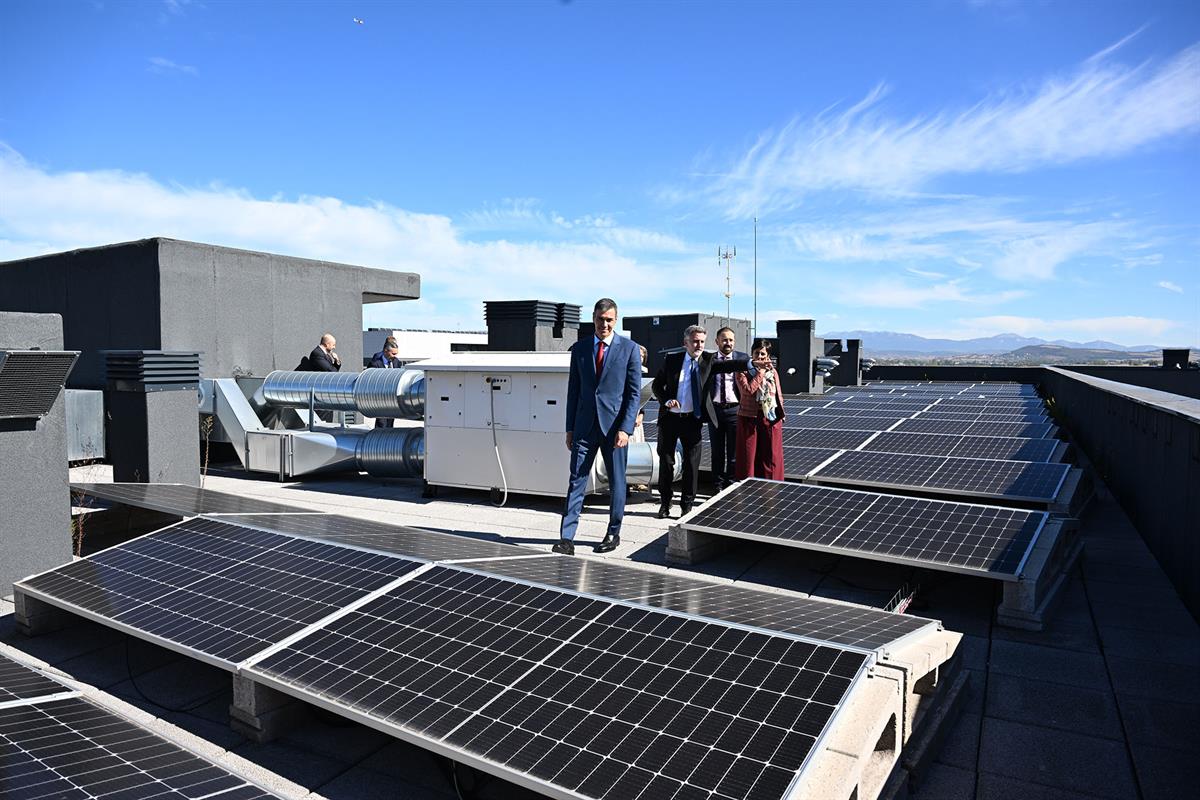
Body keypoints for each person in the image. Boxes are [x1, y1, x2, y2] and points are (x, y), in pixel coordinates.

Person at [556, 298, 642, 555]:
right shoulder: (580, 349)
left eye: (609, 320)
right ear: (593, 318)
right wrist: (570, 427)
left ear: (615, 321)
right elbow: (574, 391)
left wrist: (626, 429)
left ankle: (613, 533)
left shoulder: (629, 349)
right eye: (600, 319)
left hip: (615, 429)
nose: (604, 324)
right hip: (584, 427)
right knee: (576, 480)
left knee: (617, 482)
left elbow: (633, 394)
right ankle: (566, 537)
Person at [652, 325, 748, 519]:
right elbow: (656, 386)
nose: (699, 345)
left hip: (692, 420)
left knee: (691, 465)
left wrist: (752, 364)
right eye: (695, 341)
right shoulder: (672, 360)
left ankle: (686, 505)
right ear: (685, 343)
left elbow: (728, 365)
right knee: (667, 462)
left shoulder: (708, 361)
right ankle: (665, 502)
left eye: (702, 342)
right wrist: (666, 400)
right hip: (670, 419)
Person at [735, 339, 786, 481]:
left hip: (770, 416)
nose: (760, 357)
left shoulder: (773, 372)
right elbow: (748, 390)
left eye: (763, 354)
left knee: (771, 456)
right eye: (757, 353)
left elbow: (778, 393)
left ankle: (771, 487)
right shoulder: (742, 370)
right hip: (749, 417)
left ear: (768, 356)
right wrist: (761, 372)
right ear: (752, 353)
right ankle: (746, 488)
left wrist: (781, 413)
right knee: (748, 457)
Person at [708, 327, 748, 491]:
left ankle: (730, 485)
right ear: (717, 341)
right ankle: (717, 486)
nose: (728, 343)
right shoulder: (709, 360)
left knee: (734, 452)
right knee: (717, 452)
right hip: (715, 411)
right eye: (724, 340)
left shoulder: (742, 359)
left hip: (734, 410)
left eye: (731, 340)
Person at [369, 338, 402, 428]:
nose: (394, 356)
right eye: (393, 353)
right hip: (380, 398)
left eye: (396, 354)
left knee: (390, 422)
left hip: (392, 399)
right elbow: (369, 380)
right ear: (385, 351)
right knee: (381, 423)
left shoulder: (397, 362)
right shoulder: (375, 364)